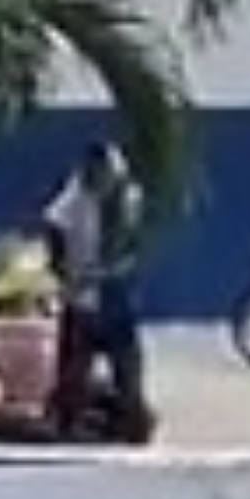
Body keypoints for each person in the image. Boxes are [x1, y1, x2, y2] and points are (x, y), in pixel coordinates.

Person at [44, 141, 152, 440]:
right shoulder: (75, 198)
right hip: (81, 296)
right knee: (73, 370)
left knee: (127, 369)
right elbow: (53, 227)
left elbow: (133, 245)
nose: (104, 184)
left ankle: (133, 425)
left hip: (115, 295)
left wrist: (112, 269)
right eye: (98, 176)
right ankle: (66, 424)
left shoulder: (128, 198)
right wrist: (62, 270)